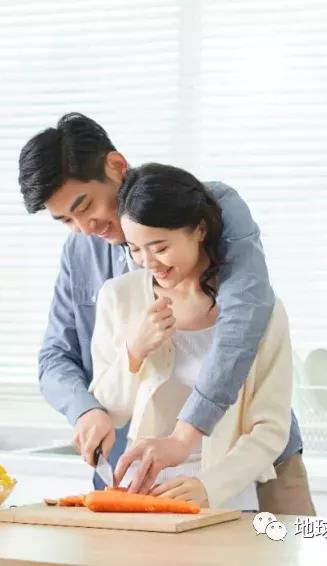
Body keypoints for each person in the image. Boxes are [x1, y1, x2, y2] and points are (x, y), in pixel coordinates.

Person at [18, 113, 314, 514]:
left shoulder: (209, 208)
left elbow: (246, 317)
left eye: (84, 206)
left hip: (252, 468)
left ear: (116, 166)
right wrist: (87, 409)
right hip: (140, 476)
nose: (84, 228)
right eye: (66, 221)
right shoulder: (94, 268)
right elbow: (57, 357)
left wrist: (186, 439)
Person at [89, 163, 304, 511]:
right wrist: (134, 351)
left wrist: (208, 486)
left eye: (159, 247)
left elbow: (270, 428)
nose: (148, 262)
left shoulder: (260, 310)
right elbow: (110, 411)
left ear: (199, 230)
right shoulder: (119, 297)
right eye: (135, 249)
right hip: (140, 496)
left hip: (223, 495)